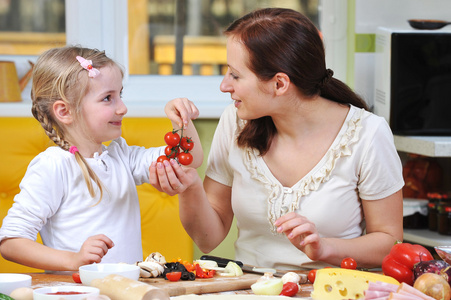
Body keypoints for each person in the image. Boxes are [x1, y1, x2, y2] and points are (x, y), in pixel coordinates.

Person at [149, 8, 404, 270]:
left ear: (280, 84)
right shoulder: (234, 123)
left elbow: (390, 243)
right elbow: (208, 239)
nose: (224, 86)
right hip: (248, 289)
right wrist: (189, 187)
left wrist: (325, 248)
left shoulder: (367, 133)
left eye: (235, 75)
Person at [0, 46, 203, 272]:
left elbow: (189, 160)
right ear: (65, 112)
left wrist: (181, 120)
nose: (123, 108)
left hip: (125, 292)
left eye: (120, 95)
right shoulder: (52, 166)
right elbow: (11, 242)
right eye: (108, 98)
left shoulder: (122, 156)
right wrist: (73, 260)